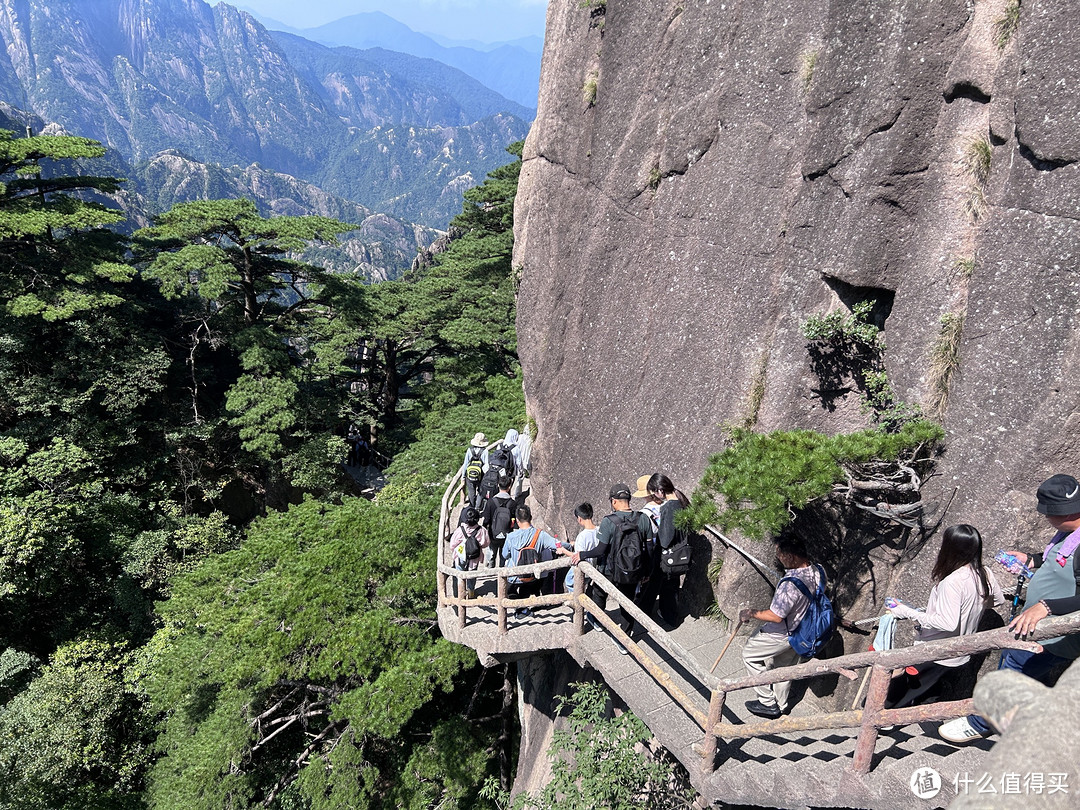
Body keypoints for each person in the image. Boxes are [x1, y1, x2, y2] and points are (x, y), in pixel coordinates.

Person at [940, 474, 1080, 743]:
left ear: (1060, 513)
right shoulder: (1071, 532)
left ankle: (981, 723)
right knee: (1015, 662)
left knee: (1015, 664)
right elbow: (1062, 560)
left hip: (1058, 632)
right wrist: (1032, 559)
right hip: (1041, 627)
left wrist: (1045, 607)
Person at [884, 525, 1004, 715]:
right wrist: (970, 606)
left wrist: (907, 612)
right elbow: (996, 600)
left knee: (901, 689)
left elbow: (947, 623)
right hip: (960, 651)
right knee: (926, 685)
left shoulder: (953, 582)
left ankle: (883, 719)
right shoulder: (984, 573)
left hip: (935, 650)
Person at [739, 535, 823, 719]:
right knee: (784, 668)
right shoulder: (816, 570)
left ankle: (767, 702)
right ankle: (781, 704)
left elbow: (776, 616)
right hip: (802, 632)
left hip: (781, 634)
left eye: (780, 554)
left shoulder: (789, 586)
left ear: (791, 556)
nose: (778, 558)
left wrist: (752, 612)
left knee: (750, 657)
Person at [567, 484, 651, 650]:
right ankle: (623, 640)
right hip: (633, 570)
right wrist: (647, 571)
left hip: (609, 571)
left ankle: (597, 620)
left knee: (598, 593)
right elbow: (649, 549)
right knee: (627, 604)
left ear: (614, 502)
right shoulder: (643, 519)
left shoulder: (608, 521)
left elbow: (600, 550)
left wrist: (582, 555)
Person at [648, 473, 691, 626]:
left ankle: (669, 617)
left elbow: (665, 539)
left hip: (669, 556)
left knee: (667, 587)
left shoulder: (668, 507)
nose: (655, 497)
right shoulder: (682, 500)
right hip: (682, 553)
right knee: (673, 586)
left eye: (654, 493)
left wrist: (658, 524)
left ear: (660, 490)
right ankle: (672, 614)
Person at [502, 505, 560, 616]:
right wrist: (570, 545)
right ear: (531, 517)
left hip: (514, 577)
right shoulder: (540, 535)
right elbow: (557, 544)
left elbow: (505, 555)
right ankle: (523, 607)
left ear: (517, 520)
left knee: (509, 589)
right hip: (531, 576)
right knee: (528, 586)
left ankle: (518, 607)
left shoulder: (510, 537)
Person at [447, 507, 489, 600]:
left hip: (460, 556)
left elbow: (452, 545)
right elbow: (486, 543)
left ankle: (461, 592)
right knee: (472, 574)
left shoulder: (460, 530)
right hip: (474, 557)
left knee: (460, 573)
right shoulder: (482, 530)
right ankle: (471, 592)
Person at [482, 473, 517, 567]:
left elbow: (486, 520)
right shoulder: (513, 504)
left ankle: (491, 570)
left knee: (491, 553)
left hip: (493, 534)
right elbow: (515, 521)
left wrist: (485, 532)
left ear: (498, 485)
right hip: (507, 534)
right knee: (504, 555)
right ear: (509, 487)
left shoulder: (491, 502)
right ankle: (501, 573)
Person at [564, 503, 598, 594]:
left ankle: (577, 602)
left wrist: (563, 551)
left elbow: (577, 556)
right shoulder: (599, 530)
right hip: (594, 568)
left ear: (579, 518)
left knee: (569, 581)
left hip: (584, 568)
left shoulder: (582, 536)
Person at [460, 433, 489, 509]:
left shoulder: (470, 450)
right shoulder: (485, 451)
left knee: (471, 491)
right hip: (481, 475)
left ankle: (472, 506)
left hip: (470, 475)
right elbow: (486, 465)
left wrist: (463, 475)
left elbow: (465, 463)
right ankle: (477, 507)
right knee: (480, 491)